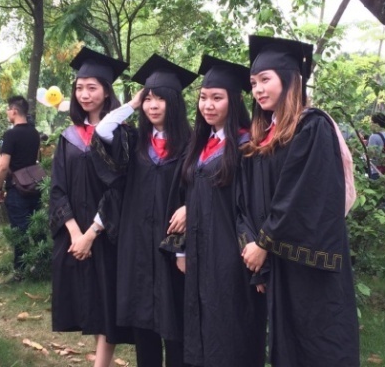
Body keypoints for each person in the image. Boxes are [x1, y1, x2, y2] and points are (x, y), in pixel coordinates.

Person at [239, 35, 360, 367]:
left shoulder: (312, 127)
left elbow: (302, 195)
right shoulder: (262, 138)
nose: (257, 89)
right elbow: (250, 200)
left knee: (319, 343)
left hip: (309, 263)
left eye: (265, 79)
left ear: (289, 79)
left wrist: (264, 243)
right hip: (278, 259)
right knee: (287, 346)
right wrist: (259, 253)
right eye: (253, 83)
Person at [93, 54, 197, 367]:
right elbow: (102, 131)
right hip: (137, 245)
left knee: (175, 321)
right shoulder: (135, 142)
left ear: (174, 103)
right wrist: (132, 104)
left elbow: (200, 192)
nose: (153, 106)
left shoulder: (192, 143)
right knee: (143, 321)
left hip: (171, 247)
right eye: (149, 99)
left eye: (160, 99)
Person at [179, 55, 267, 367]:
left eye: (217, 98)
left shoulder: (247, 145)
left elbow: (254, 207)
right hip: (201, 254)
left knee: (231, 333)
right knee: (202, 328)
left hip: (232, 257)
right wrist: (182, 248)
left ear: (235, 100)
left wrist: (259, 265)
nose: (208, 105)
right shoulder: (201, 144)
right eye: (203, 98)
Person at [49, 47, 133, 367]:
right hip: (75, 234)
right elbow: (58, 188)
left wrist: (91, 233)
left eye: (92, 88)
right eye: (79, 88)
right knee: (88, 301)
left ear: (106, 91)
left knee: (107, 303)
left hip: (107, 233)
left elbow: (120, 189)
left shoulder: (121, 135)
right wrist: (74, 233)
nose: (84, 94)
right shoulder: (68, 137)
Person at [0, 96, 41, 277]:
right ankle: (41, 263)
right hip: (34, 185)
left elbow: (3, 165)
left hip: (17, 188)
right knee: (37, 226)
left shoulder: (11, 134)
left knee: (19, 229)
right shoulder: (34, 132)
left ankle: (20, 270)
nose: (7, 113)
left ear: (14, 111)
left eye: (8, 109)